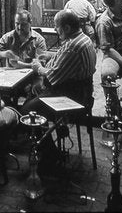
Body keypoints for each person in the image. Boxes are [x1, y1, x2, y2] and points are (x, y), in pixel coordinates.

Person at [21, 9, 97, 173]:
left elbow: (52, 77)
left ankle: (49, 154)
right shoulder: (83, 39)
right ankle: (45, 147)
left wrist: (38, 67)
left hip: (72, 98)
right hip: (84, 93)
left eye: (57, 27)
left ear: (67, 28)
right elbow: (63, 61)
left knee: (27, 111)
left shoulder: (72, 46)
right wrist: (50, 56)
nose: (56, 30)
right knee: (32, 97)